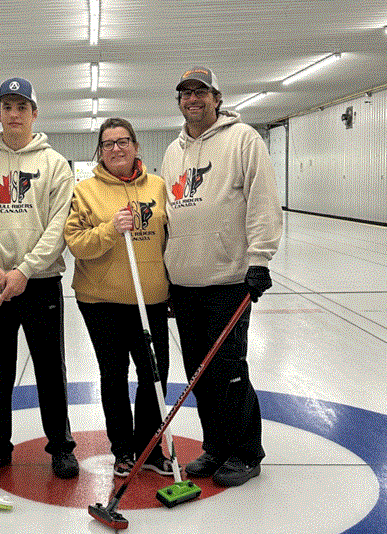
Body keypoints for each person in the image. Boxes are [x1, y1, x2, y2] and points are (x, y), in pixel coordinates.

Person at [160, 66, 282, 488]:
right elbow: (170, 216)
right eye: (185, 93)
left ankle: (246, 452)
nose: (192, 99)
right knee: (198, 371)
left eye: (200, 92)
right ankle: (215, 446)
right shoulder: (173, 152)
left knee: (228, 370)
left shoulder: (243, 139)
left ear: (217, 97)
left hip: (227, 279)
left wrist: (259, 259)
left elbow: (263, 200)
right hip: (185, 283)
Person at [0, 77, 78, 480]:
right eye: (7, 107)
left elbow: (59, 225)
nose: (14, 114)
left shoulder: (55, 165)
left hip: (40, 282)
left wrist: (25, 270)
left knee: (49, 368)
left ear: (34, 113)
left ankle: (61, 447)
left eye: (21, 107)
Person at [64, 118, 172, 478]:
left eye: (123, 141)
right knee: (114, 374)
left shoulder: (158, 185)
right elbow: (76, 243)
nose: (116, 148)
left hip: (151, 298)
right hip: (101, 300)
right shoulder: (85, 191)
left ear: (136, 147)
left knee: (154, 375)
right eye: (108, 143)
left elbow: (171, 238)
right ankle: (123, 450)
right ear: (100, 151)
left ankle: (151, 448)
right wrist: (111, 229)